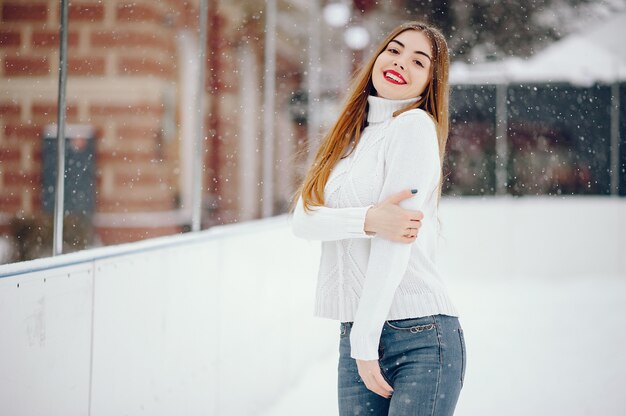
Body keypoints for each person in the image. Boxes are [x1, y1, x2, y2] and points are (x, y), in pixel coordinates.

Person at [290, 21, 466, 415]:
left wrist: (367, 342)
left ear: (428, 84)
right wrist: (368, 219)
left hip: (419, 334)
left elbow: (394, 245)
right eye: (394, 50)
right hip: (357, 332)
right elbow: (303, 219)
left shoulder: (413, 127)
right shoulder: (349, 137)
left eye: (418, 61)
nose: (400, 63)